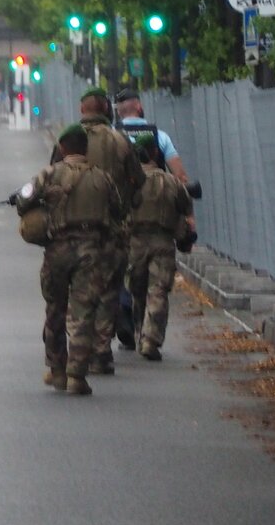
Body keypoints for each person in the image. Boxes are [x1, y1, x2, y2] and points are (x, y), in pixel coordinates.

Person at [14, 123, 123, 395]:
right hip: (91, 252)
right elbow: (117, 211)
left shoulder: (49, 174)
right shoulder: (103, 178)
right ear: (85, 148)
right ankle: (77, 374)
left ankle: (57, 370)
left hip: (57, 250)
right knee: (83, 312)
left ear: (62, 148)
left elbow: (23, 201)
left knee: (55, 309)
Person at [75, 87, 145, 376]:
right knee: (109, 290)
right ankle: (102, 350)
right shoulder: (120, 141)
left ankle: (80, 346)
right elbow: (138, 180)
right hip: (112, 229)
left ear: (82, 110)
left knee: (79, 290)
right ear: (106, 109)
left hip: (75, 229)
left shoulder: (71, 140)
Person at [126, 134, 194, 361]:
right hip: (162, 242)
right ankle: (151, 339)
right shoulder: (170, 182)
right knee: (158, 290)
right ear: (156, 153)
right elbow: (185, 206)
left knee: (137, 290)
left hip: (134, 243)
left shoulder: (130, 183)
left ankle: (139, 332)